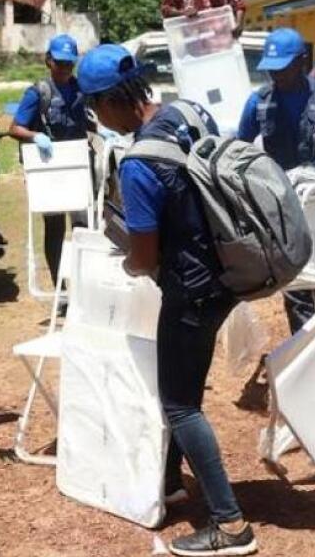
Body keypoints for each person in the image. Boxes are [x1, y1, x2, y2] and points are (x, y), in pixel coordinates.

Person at [78, 44, 257, 556]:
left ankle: (230, 524)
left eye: (95, 108)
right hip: (223, 274)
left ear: (111, 101)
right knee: (184, 389)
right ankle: (172, 481)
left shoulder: (138, 165)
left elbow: (143, 252)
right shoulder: (188, 113)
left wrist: (130, 262)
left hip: (189, 290)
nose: (98, 119)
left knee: (180, 405)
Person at [238, 27, 315, 333]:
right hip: (283, 207)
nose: (275, 76)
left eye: (282, 68)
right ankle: (304, 348)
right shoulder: (257, 103)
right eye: (270, 70)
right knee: (296, 281)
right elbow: (239, 155)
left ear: (302, 61)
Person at [9, 34, 104, 287]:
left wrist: (102, 130)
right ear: (48, 61)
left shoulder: (81, 89)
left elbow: (91, 118)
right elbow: (15, 128)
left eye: (69, 64)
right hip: (50, 167)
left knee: (84, 227)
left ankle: (84, 286)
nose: (64, 69)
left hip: (79, 164)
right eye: (60, 63)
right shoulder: (37, 92)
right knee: (54, 229)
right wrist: (35, 135)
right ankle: (59, 288)